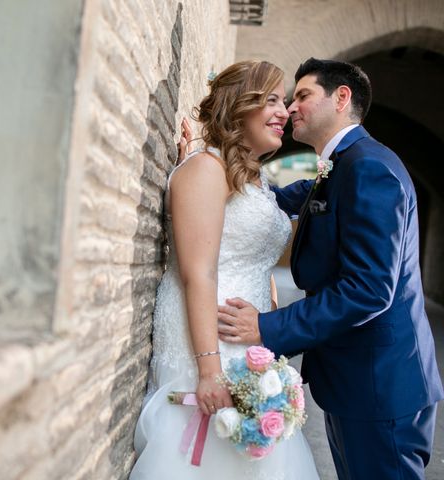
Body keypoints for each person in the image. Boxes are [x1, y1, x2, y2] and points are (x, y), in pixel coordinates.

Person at [217, 58, 444, 479]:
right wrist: (218, 157)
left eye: (303, 95)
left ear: (341, 98)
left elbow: (368, 289)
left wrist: (267, 328)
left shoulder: (370, 168)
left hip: (382, 389)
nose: (291, 107)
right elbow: (272, 198)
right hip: (355, 385)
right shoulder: (339, 166)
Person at [129, 60, 319, 479]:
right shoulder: (204, 171)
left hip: (248, 344)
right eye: (271, 100)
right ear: (239, 106)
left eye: (283, 101)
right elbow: (199, 274)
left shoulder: (253, 178)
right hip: (209, 343)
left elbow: (250, 254)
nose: (284, 112)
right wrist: (210, 371)